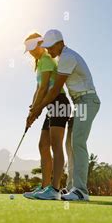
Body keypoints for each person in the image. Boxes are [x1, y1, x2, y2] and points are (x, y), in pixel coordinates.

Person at [27, 30, 100, 201]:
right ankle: (71, 189)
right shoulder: (61, 58)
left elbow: (53, 90)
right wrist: (36, 108)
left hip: (87, 101)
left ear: (60, 43)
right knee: (69, 145)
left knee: (78, 143)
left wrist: (38, 109)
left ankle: (81, 190)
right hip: (78, 103)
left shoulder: (67, 57)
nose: (48, 51)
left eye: (50, 47)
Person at [22, 32, 71, 200]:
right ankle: (45, 187)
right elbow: (38, 90)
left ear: (40, 44)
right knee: (43, 145)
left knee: (56, 145)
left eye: (32, 48)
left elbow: (44, 88)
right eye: (28, 49)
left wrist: (36, 111)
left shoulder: (47, 60)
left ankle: (55, 189)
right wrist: (32, 110)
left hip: (59, 102)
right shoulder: (40, 62)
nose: (31, 52)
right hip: (50, 106)